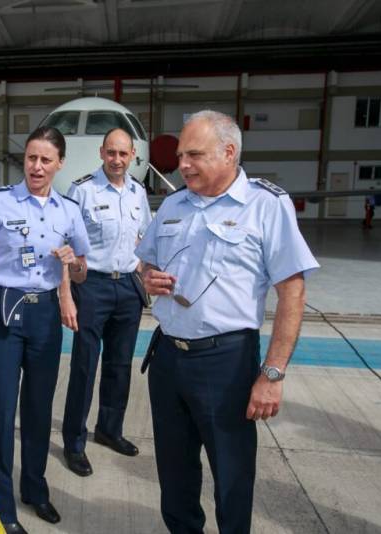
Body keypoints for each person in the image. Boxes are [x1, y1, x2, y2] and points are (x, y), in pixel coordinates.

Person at [135, 110, 319, 534]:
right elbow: (144, 264)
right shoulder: (174, 204)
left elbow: (292, 292)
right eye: (181, 154)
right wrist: (148, 276)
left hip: (227, 364)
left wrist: (272, 374)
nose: (182, 164)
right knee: (175, 475)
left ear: (229, 152)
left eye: (194, 155)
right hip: (168, 359)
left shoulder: (267, 206)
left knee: (232, 478)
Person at [0, 126, 90, 534]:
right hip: (2, 311)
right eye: (31, 158)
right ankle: (0, 505)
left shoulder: (68, 210)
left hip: (45, 314)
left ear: (59, 163)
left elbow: (81, 271)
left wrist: (72, 264)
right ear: (23, 160)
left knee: (39, 408)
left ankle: (35, 489)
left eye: (46, 160)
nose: (37, 166)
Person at [59, 128, 152, 477]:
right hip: (92, 287)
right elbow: (65, 247)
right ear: (101, 153)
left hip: (128, 288)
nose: (116, 160)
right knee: (84, 366)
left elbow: (144, 238)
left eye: (123, 154)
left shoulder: (138, 193)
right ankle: (74, 442)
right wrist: (65, 292)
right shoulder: (82, 191)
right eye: (111, 153)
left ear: (132, 156)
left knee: (120, 364)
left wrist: (146, 277)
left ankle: (109, 429)